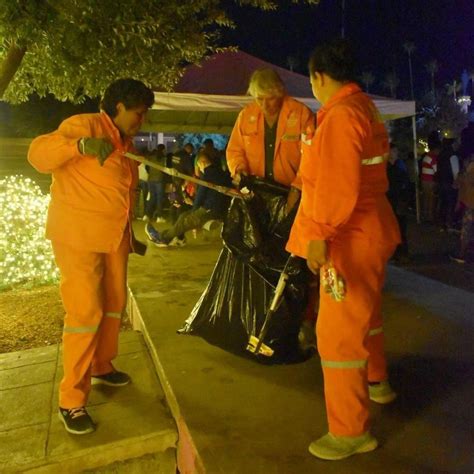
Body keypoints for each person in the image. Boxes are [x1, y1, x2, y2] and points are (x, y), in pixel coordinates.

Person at [286, 39, 400, 461]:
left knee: (336, 336)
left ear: (318, 76)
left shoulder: (339, 117)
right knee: (365, 316)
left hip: (346, 237)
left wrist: (318, 236)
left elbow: (335, 187)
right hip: (370, 229)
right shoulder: (362, 109)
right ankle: (378, 382)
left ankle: (351, 431)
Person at [28, 78, 154, 435]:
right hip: (78, 236)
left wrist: (130, 237)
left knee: (114, 302)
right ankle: (71, 400)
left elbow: (121, 192)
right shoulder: (84, 125)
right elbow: (38, 153)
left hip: (113, 237)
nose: (141, 121)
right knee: (85, 313)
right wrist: (79, 145)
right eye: (138, 113)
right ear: (118, 107)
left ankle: (101, 364)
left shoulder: (124, 142)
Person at [226, 67, 314, 214]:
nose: (264, 105)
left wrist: (297, 188)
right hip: (256, 194)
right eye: (259, 99)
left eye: (270, 98)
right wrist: (239, 169)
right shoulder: (245, 115)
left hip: (292, 193)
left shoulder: (301, 114)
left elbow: (312, 158)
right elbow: (235, 150)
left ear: (280, 93)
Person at [145, 150, 232, 247]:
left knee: (185, 220)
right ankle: (178, 238)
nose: (199, 169)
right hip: (218, 210)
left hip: (209, 210)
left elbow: (200, 196)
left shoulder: (208, 176)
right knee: (183, 216)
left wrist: (194, 211)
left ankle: (162, 238)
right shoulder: (220, 172)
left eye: (199, 166)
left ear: (201, 163)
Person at [387, 143, 411, 261]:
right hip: (390, 201)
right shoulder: (385, 168)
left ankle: (402, 252)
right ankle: (394, 252)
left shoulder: (400, 166)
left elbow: (406, 183)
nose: (395, 154)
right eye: (393, 151)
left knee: (401, 228)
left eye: (396, 152)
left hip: (399, 200)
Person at [450, 154, 474, 263]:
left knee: (466, 229)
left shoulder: (467, 172)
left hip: (470, 204)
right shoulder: (467, 172)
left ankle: (462, 254)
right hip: (469, 203)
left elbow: (455, 185)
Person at [143, 143, 167, 223]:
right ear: (163, 150)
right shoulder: (164, 158)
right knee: (159, 198)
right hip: (159, 180)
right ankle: (159, 217)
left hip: (151, 179)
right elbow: (165, 170)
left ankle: (147, 215)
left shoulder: (151, 157)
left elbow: (146, 167)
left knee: (152, 197)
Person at [421, 134, 441, 223]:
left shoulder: (426, 157)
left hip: (424, 180)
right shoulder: (433, 158)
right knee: (431, 200)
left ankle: (425, 216)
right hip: (430, 181)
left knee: (425, 199)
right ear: (436, 149)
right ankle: (430, 217)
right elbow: (436, 170)